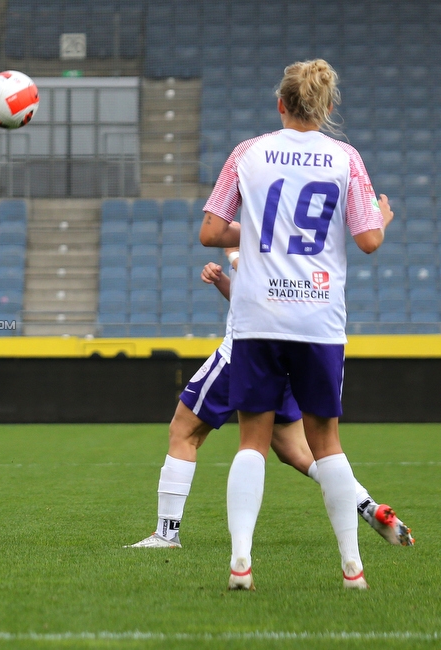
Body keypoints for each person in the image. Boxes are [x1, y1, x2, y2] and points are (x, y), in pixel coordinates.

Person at [199, 59, 393, 590]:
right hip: (318, 316)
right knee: (326, 442)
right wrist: (383, 217)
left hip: (258, 313)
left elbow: (211, 231)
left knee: (251, 441)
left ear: (280, 105)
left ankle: (241, 562)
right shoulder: (344, 157)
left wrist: (260, 227)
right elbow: (368, 240)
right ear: (328, 108)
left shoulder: (248, 152)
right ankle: (353, 571)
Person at [127, 252, 412, 549]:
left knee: (183, 431)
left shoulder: (257, 235)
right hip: (286, 357)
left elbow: (262, 285)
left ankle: (166, 533)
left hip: (243, 355)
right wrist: (224, 280)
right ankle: (367, 506)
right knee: (297, 451)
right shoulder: (298, 242)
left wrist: (236, 256)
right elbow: (254, 300)